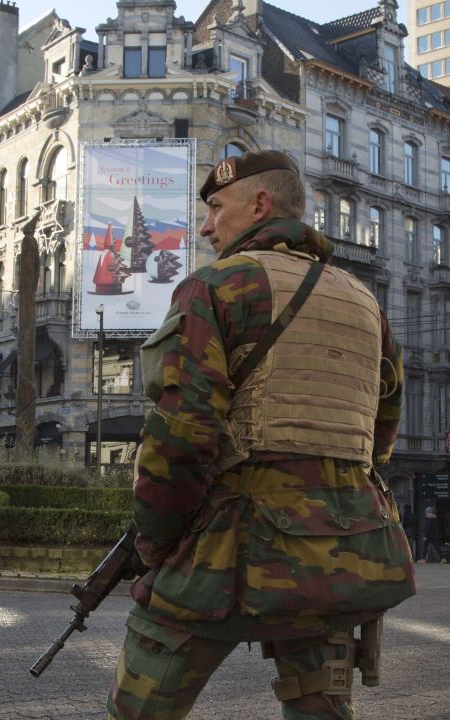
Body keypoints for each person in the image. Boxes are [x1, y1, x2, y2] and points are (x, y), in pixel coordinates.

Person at [108, 150, 414, 719]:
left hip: (231, 549)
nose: (205, 226)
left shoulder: (215, 287)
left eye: (216, 208)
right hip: (344, 555)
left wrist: (155, 547)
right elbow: (382, 432)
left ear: (260, 204)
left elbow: (181, 436)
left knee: (138, 710)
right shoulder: (364, 302)